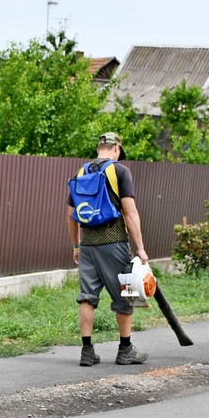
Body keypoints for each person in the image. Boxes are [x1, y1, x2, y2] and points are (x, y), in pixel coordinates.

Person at [67, 131, 150, 367]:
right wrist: (141, 249)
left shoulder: (81, 172)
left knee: (87, 296)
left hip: (88, 245)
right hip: (115, 243)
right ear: (116, 149)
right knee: (127, 293)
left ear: (98, 148)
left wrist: (76, 245)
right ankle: (125, 350)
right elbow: (130, 212)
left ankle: (86, 351)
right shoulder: (120, 171)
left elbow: (72, 217)